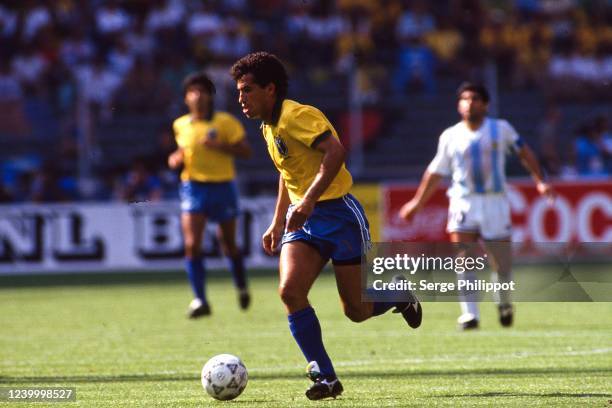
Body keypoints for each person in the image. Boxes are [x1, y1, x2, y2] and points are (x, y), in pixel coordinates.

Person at [230, 52, 422, 401]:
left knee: (357, 311)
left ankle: (397, 295)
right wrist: (278, 220)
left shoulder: (297, 115)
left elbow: (336, 152)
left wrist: (307, 202)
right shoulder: (268, 128)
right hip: (302, 223)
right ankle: (325, 376)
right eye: (239, 91)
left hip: (340, 217)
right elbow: (286, 174)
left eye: (246, 90)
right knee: (289, 291)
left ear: (270, 89)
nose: (240, 98)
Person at [399, 82, 554, 330]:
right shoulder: (450, 136)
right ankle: (470, 315)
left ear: (486, 104)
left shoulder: (500, 129)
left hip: (494, 201)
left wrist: (540, 181)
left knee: (500, 263)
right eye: (465, 99)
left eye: (475, 98)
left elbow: (524, 153)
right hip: (463, 201)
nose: (469, 103)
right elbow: (435, 172)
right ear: (458, 105)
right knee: (464, 258)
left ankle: (503, 303)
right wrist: (417, 203)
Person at [168, 71, 252, 318]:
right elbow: (182, 151)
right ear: (186, 98)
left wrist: (221, 146)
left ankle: (241, 285)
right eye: (193, 91)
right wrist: (175, 158)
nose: (198, 96)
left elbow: (246, 151)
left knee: (228, 244)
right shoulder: (181, 125)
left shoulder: (225, 122)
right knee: (192, 244)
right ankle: (200, 300)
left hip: (222, 186)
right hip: (193, 187)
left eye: (202, 91)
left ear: (210, 96)